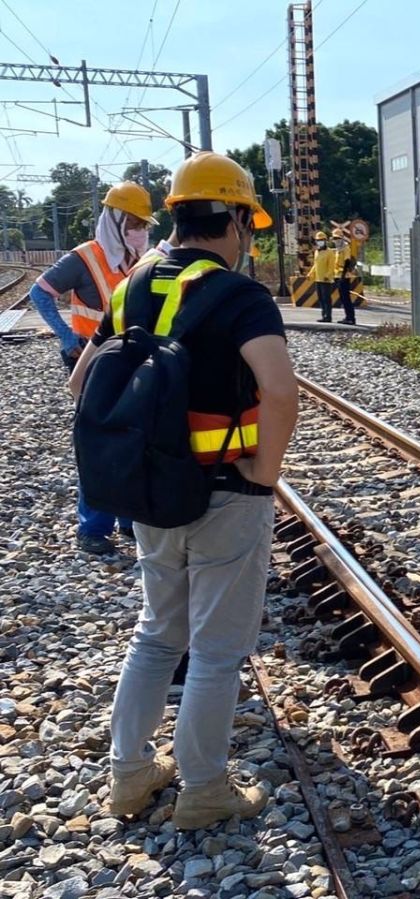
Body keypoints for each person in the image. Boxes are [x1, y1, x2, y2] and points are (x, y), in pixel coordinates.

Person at [68, 151, 298, 827]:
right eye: (246, 223)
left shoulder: (131, 286)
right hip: (228, 489)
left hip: (152, 491)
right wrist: (266, 472)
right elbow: (280, 391)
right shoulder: (239, 296)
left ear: (176, 214)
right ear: (231, 218)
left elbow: (80, 384)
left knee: (157, 635)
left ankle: (129, 775)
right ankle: (203, 788)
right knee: (218, 649)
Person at [28, 182, 157, 555]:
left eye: (143, 223)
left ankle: (129, 519)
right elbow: (40, 293)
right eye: (133, 222)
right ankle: (93, 528)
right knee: (98, 443)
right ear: (116, 220)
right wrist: (67, 338)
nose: (140, 229)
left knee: (134, 437)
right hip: (91, 360)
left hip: (130, 359)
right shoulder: (84, 258)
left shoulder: (139, 260)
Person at [307, 230, 336, 322]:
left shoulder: (329, 252)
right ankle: (324, 315)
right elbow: (316, 265)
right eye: (318, 240)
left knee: (326, 298)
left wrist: (328, 275)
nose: (320, 241)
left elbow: (332, 266)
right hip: (318, 279)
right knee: (320, 298)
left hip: (326, 280)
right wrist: (310, 273)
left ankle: (328, 316)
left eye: (322, 240)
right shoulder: (317, 252)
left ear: (325, 241)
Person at [331, 228, 357, 325]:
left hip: (344, 276)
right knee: (342, 298)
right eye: (334, 238)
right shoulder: (338, 249)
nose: (336, 240)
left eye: (337, 238)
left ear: (341, 238)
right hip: (338, 275)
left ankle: (351, 318)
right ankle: (347, 317)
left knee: (346, 298)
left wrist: (342, 275)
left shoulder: (345, 247)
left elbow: (347, 261)